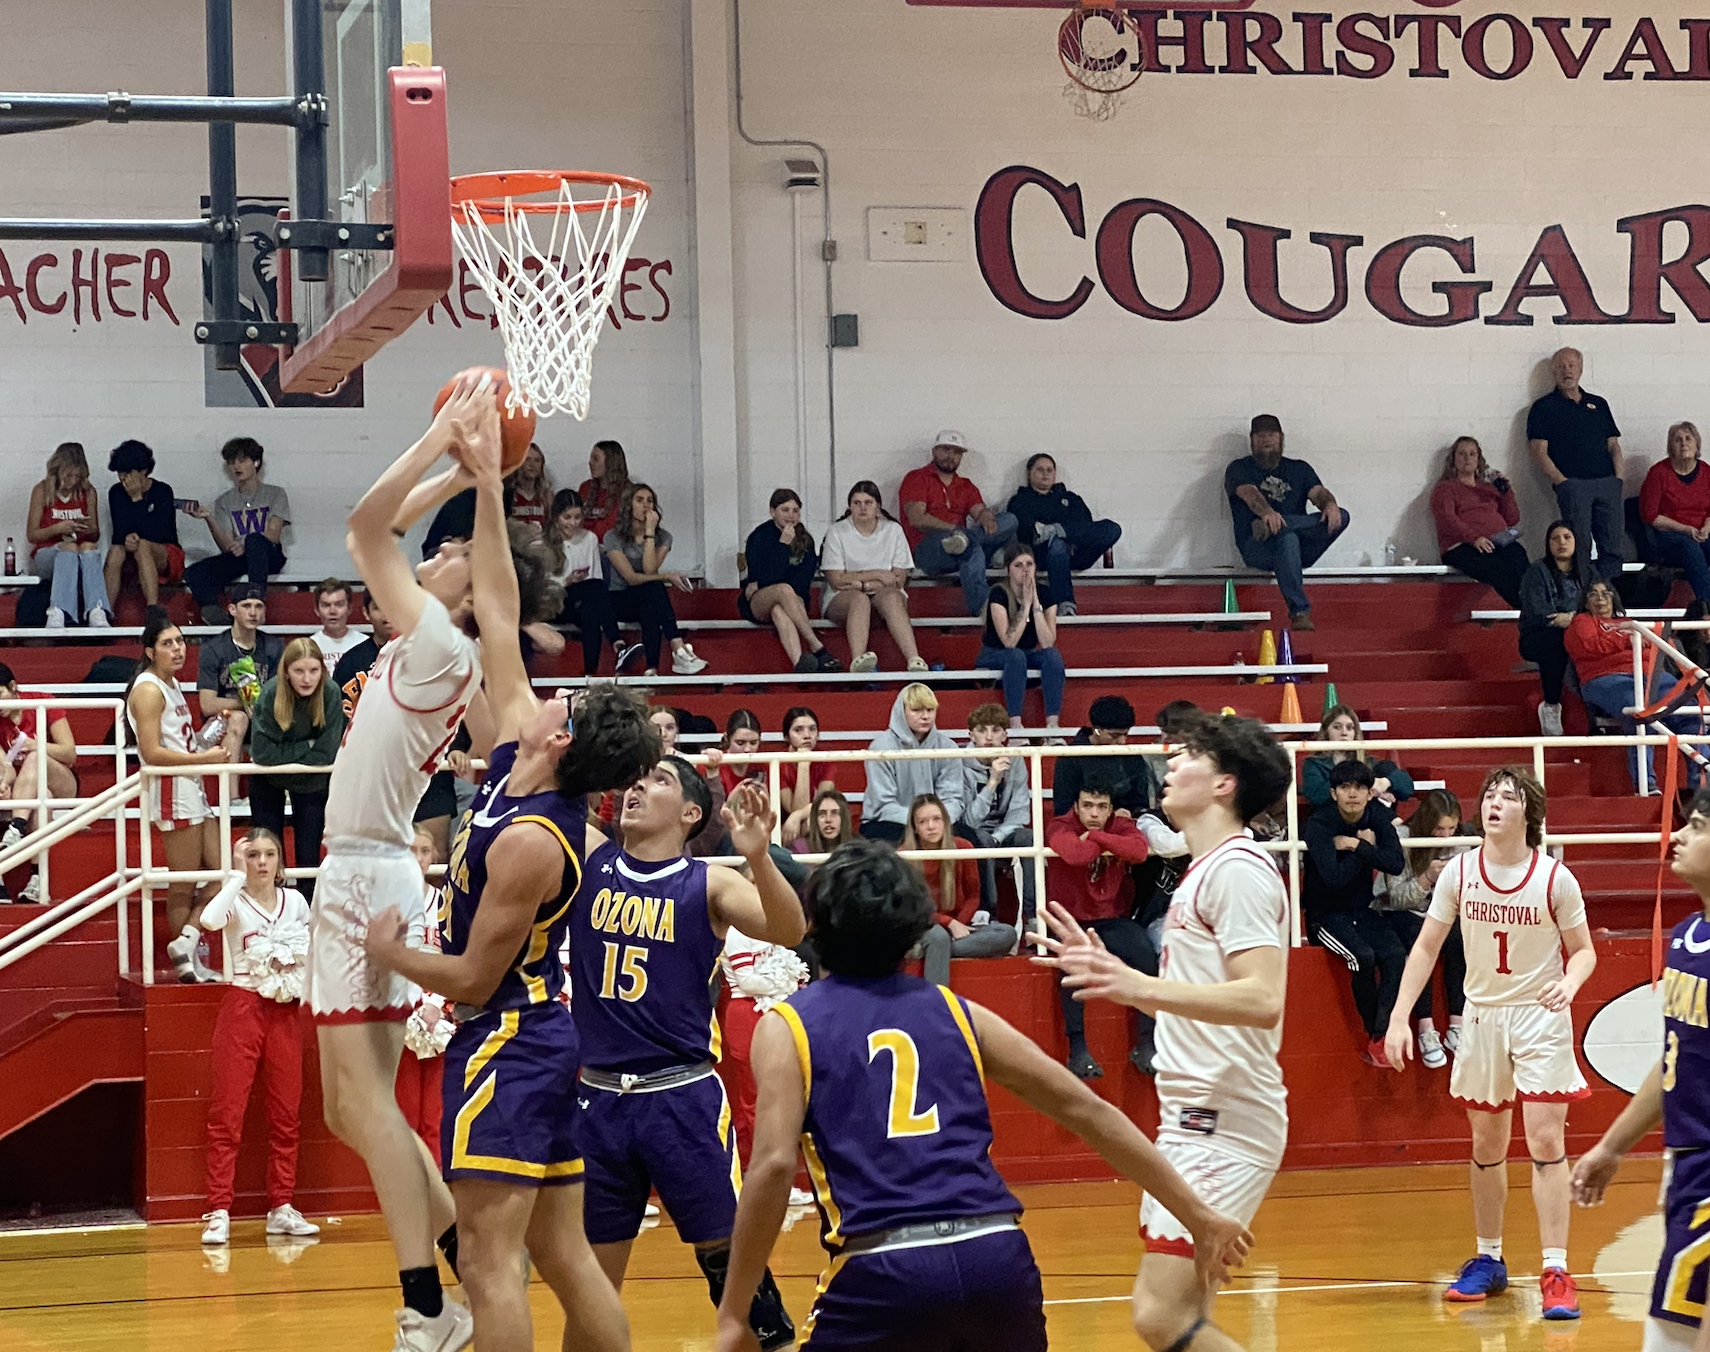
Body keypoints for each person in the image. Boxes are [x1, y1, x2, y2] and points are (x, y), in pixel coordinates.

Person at [710, 838, 1252, 1352]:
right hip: (996, 1257)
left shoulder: (788, 1025)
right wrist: (1198, 1216)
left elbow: (774, 1166)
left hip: (884, 1268)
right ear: (914, 927)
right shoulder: (958, 1012)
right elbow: (1086, 1109)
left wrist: (735, 1312)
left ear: (815, 925)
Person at [363, 423, 660, 1352]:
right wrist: (489, 486)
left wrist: (391, 952)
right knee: (565, 1255)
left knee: (492, 1265)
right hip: (537, 1041)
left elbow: (470, 979)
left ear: (561, 738)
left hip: (510, 1040)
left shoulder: (534, 839)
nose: (541, 692)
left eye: (559, 700)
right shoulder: (509, 766)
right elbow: (496, 605)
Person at [306, 373, 513, 1352]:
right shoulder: (433, 646)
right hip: (368, 868)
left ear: (459, 591)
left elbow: (361, 527)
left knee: (367, 1103)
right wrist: (465, 472)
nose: (433, 556)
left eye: (451, 558)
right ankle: (456, 1255)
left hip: (364, 875)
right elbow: (386, 531)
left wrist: (441, 439)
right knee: (353, 1105)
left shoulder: (437, 643)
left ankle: (430, 1299)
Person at [1036, 709, 1296, 1352]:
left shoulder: (1238, 870)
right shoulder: (1203, 870)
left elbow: (1264, 999)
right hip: (1195, 1112)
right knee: (1187, 1314)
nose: (1171, 764)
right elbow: (1214, 999)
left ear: (1224, 784)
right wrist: (1117, 976)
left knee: (1159, 1314)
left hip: (1225, 1118)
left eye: (1188, 757)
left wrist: (1133, 985)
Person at [569, 759, 805, 1351]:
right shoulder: (591, 856)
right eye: (636, 778)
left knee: (733, 1276)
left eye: (660, 781)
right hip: (596, 1098)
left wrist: (756, 854)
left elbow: (790, 928)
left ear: (692, 813)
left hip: (681, 1098)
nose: (638, 788)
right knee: (591, 1288)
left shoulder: (709, 883)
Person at [1383, 764, 1596, 1320]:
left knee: (1546, 1140)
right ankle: (1489, 1258)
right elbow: (1427, 947)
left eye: (1509, 795)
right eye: (1491, 795)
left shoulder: (1555, 878)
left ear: (1530, 811)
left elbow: (1585, 951)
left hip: (1538, 1015)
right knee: (1486, 1143)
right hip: (1482, 1016)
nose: (1496, 802)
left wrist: (1569, 984)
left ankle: (1555, 1268)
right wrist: (1400, 1016)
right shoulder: (1458, 873)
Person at [1571, 786, 1710, 1352]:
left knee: (1672, 1338)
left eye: (1697, 826)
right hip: (1687, 1165)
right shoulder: (1687, 938)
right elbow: (1675, 1059)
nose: (1676, 835)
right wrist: (1612, 1146)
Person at [193, 829, 319, 1247]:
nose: (261, 862)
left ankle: (281, 1206)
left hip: (285, 1010)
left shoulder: (296, 902)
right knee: (227, 1112)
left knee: (287, 1112)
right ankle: (218, 1210)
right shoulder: (236, 902)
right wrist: (232, 876)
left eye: (268, 854)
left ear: (280, 861)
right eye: (253, 855)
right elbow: (210, 921)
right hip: (243, 1007)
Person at [128, 611, 228, 981]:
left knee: (224, 873)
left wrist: (208, 738)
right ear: (150, 651)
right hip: (172, 787)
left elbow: (180, 743)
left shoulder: (170, 684)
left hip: (191, 783)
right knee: (183, 882)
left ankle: (186, 943)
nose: (177, 649)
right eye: (167, 643)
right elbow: (152, 752)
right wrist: (203, 757)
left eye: (181, 641)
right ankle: (185, 962)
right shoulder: (149, 689)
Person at [1044, 780, 1158, 1078]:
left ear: (1110, 808)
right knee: (1070, 970)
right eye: (1088, 806)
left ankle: (1146, 1043)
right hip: (1069, 919)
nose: (1094, 813)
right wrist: (1109, 839)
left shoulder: (1115, 826)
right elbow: (1074, 854)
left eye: (1102, 807)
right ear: (1076, 806)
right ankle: (1077, 1049)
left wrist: (1095, 835)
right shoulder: (1059, 825)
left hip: (1110, 918)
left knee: (1147, 955)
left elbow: (1138, 850)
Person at [1302, 759, 1407, 1066]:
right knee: (1362, 957)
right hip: (1325, 914)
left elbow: (1395, 862)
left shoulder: (1377, 816)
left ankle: (1380, 1033)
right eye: (1345, 787)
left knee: (1396, 955)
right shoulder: (1319, 824)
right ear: (1333, 793)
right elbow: (1333, 878)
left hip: (1363, 910)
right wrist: (1366, 850)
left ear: (1368, 791)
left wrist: (1357, 847)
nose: (1352, 794)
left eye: (1359, 787)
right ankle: (1376, 1033)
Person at [1566, 578, 1699, 791]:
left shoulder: (1631, 622)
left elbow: (1652, 650)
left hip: (1651, 676)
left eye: (1606, 593)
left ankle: (1700, 786)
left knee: (1691, 711)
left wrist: (1632, 637)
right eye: (1593, 594)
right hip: (1604, 678)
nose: (1600, 599)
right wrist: (1627, 640)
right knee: (1640, 710)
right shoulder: (1581, 622)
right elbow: (1591, 646)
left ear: (1614, 598)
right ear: (1585, 601)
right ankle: (1646, 785)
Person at [1224, 413, 1349, 631]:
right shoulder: (1239, 468)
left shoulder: (1299, 469)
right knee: (1287, 538)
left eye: (1271, 434)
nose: (1266, 439)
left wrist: (1329, 504)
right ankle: (1299, 612)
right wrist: (1266, 513)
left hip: (1302, 547)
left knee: (1342, 515)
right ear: (1251, 440)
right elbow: (1249, 493)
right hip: (1258, 546)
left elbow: (1318, 492)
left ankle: (1285, 525)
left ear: (1281, 438)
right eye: (1260, 435)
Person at [1374, 789, 1469, 1070]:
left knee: (1461, 935)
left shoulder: (1462, 842)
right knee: (1420, 940)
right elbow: (1398, 898)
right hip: (1395, 911)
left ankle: (1457, 1024)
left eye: (1452, 828)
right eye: (1439, 829)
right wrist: (1427, 877)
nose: (1446, 836)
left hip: (1438, 913)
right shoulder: (1403, 838)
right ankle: (1427, 1029)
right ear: (1427, 823)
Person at [249, 638, 343, 903]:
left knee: (309, 853)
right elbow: (262, 753)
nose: (307, 678)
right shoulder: (270, 692)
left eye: (313, 671)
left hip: (313, 780)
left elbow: (327, 753)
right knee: (267, 848)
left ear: (322, 671)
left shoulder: (331, 692)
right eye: (299, 671)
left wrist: (288, 754)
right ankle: (270, 907)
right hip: (268, 780)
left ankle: (307, 914)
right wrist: (307, 745)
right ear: (286, 671)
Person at [1527, 347, 1624, 582]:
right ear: (1554, 371)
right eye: (1561, 366)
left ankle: (1609, 597)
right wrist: (1562, 482)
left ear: (1580, 369)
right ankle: (1582, 596)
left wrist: (1618, 478)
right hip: (1574, 486)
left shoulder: (1598, 404)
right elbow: (1538, 451)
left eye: (1571, 365)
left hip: (1607, 484)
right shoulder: (1544, 407)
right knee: (1578, 545)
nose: (1566, 370)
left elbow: (1613, 445)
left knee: (1612, 545)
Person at [717, 925, 811, 1168]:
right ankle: (752, 1174)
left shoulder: (768, 927)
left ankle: (778, 1179)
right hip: (746, 1012)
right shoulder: (737, 933)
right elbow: (747, 981)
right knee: (753, 1099)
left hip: (770, 1007)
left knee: (779, 1094)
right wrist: (787, 986)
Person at [899, 429, 1018, 617]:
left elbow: (979, 510)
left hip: (961, 542)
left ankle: (966, 542)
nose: (950, 456)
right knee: (971, 547)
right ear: (934, 451)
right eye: (946, 450)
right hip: (927, 548)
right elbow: (917, 518)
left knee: (1009, 520)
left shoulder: (965, 485)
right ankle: (984, 607)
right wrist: (954, 529)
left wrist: (986, 516)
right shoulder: (917, 478)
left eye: (956, 452)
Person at [903, 792, 1016, 985]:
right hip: (922, 926)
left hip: (958, 927)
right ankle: (938, 1004)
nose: (931, 826)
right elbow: (912, 909)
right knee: (937, 935)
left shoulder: (963, 847)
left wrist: (959, 924)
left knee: (1006, 934)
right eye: (923, 821)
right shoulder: (905, 855)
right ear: (915, 828)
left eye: (936, 819)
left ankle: (933, 951)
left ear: (945, 821)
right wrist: (949, 924)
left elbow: (973, 895)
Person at [602, 482, 709, 675]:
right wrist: (667, 576)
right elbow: (631, 578)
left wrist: (649, 533)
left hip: (645, 598)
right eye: (640, 500)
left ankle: (652, 669)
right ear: (629, 505)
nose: (646, 505)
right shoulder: (612, 536)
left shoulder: (664, 537)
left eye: (650, 501)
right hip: (618, 599)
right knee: (655, 587)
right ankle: (677, 646)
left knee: (652, 599)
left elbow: (650, 570)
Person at [819, 480, 925, 674]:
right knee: (859, 601)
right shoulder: (837, 531)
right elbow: (836, 580)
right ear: (849, 506)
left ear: (877, 506)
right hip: (842, 599)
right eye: (856, 503)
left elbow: (898, 579)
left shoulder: (893, 530)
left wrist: (860, 583)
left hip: (882, 596)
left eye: (868, 502)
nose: (862, 508)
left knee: (892, 597)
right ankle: (859, 661)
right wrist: (877, 575)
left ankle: (914, 659)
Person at [184, 436, 291, 625]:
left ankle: (256, 606)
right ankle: (216, 617)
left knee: (255, 541)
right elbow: (226, 545)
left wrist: (244, 542)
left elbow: (273, 535)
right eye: (232, 462)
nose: (236, 466)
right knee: (195, 572)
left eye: (242, 460)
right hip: (242, 556)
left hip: (269, 554)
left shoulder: (275, 494)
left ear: (256, 462)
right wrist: (208, 518)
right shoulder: (225, 501)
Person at [1003, 451, 1121, 617]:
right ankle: (1064, 604)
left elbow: (1086, 527)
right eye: (1040, 469)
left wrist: (1062, 533)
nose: (1045, 473)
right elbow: (1024, 532)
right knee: (1057, 545)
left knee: (1112, 528)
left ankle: (1055, 532)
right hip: (1040, 556)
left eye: (1049, 470)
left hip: (1076, 552)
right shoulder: (1020, 501)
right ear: (1029, 474)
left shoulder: (1071, 499)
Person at [0, 664, 79, 904]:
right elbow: (5, 768)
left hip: (61, 779)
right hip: (27, 789)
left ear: (13, 688)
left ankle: (16, 828)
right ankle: (36, 879)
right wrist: (3, 784)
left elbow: (69, 753)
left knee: (36, 760)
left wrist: (38, 746)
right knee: (41, 796)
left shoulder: (43, 701)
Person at [742, 488, 840, 673]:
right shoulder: (759, 536)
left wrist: (766, 583)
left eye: (795, 510)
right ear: (773, 511)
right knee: (783, 590)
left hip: (794, 598)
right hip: (759, 600)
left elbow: (804, 579)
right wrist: (783, 546)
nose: (791, 515)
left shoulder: (806, 540)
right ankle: (817, 646)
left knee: (779, 609)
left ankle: (800, 666)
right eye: (785, 510)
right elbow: (761, 573)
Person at [975, 544, 1065, 733]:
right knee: (1015, 655)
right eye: (1018, 565)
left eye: (1029, 564)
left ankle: (1053, 725)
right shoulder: (998, 593)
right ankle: (1015, 724)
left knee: (1052, 655)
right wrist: (1024, 606)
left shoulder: (1045, 593)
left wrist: (1035, 604)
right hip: (996, 654)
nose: (1025, 570)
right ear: (1008, 570)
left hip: (1027, 653)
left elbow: (1048, 642)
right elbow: (1009, 642)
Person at [859, 684, 966, 843]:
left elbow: (953, 799)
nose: (925, 716)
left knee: (975, 841)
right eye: (917, 710)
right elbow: (883, 805)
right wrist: (921, 822)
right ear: (902, 712)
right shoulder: (880, 747)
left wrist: (934, 822)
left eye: (930, 710)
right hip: (887, 822)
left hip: (937, 822)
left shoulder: (948, 747)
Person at [962, 701, 1037, 925]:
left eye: (995, 730)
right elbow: (968, 819)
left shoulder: (1015, 761)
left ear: (1005, 734)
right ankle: (989, 913)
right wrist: (992, 782)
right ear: (971, 735)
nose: (989, 736)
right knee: (981, 840)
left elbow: (1020, 813)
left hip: (1002, 833)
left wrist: (999, 837)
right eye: (982, 730)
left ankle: (1033, 915)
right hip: (973, 832)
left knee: (1029, 838)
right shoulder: (958, 763)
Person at [1431, 436, 1527, 608]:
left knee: (1518, 555)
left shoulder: (1488, 488)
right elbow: (1448, 519)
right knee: (1495, 566)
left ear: (1478, 459)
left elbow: (1512, 519)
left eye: (1472, 454)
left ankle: (1531, 604)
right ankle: (1523, 607)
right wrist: (1474, 538)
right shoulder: (1446, 488)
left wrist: (1506, 492)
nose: (1467, 458)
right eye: (1461, 454)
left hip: (1496, 542)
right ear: (1453, 459)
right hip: (1463, 546)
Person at [196, 582, 284, 767]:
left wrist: (259, 706)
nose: (253, 612)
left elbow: (279, 696)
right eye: (246, 606)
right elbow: (208, 704)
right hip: (223, 720)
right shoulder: (213, 649)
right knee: (238, 718)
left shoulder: (274, 647)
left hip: (264, 716)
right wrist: (247, 702)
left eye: (258, 606)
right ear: (232, 609)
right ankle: (231, 795)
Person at [26, 441, 109, 628]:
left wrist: (83, 528)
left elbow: (95, 533)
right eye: (68, 475)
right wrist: (58, 529)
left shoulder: (88, 491)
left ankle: (97, 610)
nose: (72, 481)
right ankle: (58, 611)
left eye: (77, 476)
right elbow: (32, 535)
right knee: (69, 549)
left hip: (80, 551)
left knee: (89, 547)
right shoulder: (42, 490)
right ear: (57, 470)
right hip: (47, 553)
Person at [1518, 520, 1586, 738]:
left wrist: (1572, 618)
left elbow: (1601, 603)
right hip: (1538, 634)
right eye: (1555, 538)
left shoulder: (1587, 572)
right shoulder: (1536, 572)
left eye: (1567, 537)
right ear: (1548, 544)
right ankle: (1551, 705)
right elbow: (1539, 612)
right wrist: (1569, 619)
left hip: (1579, 631)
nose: (1561, 543)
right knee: (1556, 642)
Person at [544, 488, 622, 675]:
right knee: (593, 590)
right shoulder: (543, 542)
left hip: (582, 597)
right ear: (556, 517)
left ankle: (589, 673)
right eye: (567, 517)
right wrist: (567, 581)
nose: (573, 523)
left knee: (591, 608)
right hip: (553, 602)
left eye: (577, 517)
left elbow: (596, 577)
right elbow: (541, 588)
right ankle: (617, 643)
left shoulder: (590, 539)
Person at [104, 438, 187, 611]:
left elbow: (162, 532)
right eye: (120, 473)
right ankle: (105, 612)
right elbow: (119, 533)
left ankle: (152, 609)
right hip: (130, 552)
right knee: (115, 551)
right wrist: (127, 538)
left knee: (142, 545)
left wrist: (136, 499)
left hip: (164, 552)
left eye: (127, 473)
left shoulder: (162, 491)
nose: (123, 478)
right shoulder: (116, 492)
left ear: (143, 471)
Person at [1050, 693, 1151, 818]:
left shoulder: (1132, 757)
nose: (1122, 741)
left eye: (1125, 734)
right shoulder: (1070, 758)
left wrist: (1129, 814)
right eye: (1114, 735)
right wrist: (1109, 816)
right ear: (1096, 730)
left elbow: (1140, 804)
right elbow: (1063, 809)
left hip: (1125, 826)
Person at [1641, 421, 1710, 600]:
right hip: (1670, 534)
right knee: (1690, 547)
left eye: (1688, 438)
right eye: (1678, 440)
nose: (1684, 443)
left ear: (1697, 444)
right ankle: (1706, 607)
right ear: (1671, 446)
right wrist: (1686, 529)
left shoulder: (1707, 472)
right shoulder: (1658, 473)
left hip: (1703, 531)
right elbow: (1650, 515)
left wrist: (1706, 528)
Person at [1301, 703, 1415, 809]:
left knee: (1386, 767)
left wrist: (1384, 783)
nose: (1344, 733)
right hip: (1328, 820)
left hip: (1366, 820)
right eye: (1337, 727)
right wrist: (1368, 788)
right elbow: (1316, 796)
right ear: (1326, 732)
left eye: (1350, 728)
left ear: (1355, 733)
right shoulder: (1313, 763)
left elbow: (1407, 788)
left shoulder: (1367, 761)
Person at [776, 706, 834, 847]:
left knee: (812, 822)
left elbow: (822, 803)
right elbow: (794, 808)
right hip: (781, 826)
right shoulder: (777, 762)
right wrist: (803, 765)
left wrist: (798, 815)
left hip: (806, 821)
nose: (807, 735)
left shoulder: (826, 759)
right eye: (798, 730)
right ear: (786, 736)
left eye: (812, 729)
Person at [576, 438, 629, 541]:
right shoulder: (585, 487)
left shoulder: (626, 491)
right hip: (584, 545)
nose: (590, 463)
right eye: (591, 459)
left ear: (610, 462)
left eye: (595, 459)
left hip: (610, 549)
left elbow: (613, 528)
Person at [310, 578, 366, 668]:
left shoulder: (364, 643)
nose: (332, 611)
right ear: (317, 610)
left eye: (339, 604)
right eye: (326, 605)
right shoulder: (310, 646)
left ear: (350, 608)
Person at [502, 441, 553, 534]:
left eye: (537, 460)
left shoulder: (546, 496)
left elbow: (552, 526)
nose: (532, 465)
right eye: (527, 459)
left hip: (540, 544)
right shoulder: (507, 494)